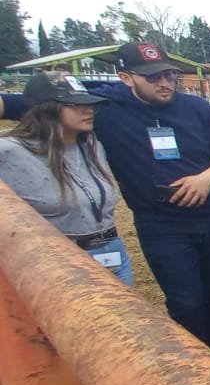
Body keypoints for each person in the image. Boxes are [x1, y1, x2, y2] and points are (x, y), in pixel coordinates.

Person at [1, 42, 210, 356]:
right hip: (161, 222)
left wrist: (206, 178)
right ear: (126, 78)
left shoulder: (197, 108)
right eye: (152, 77)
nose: (165, 82)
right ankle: (194, 358)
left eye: (169, 74)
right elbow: (31, 103)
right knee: (185, 300)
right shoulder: (104, 106)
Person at [0, 73, 132, 285]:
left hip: (111, 250)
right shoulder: (11, 150)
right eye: (74, 104)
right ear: (46, 109)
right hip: (58, 259)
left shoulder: (92, 147)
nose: (87, 110)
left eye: (89, 104)